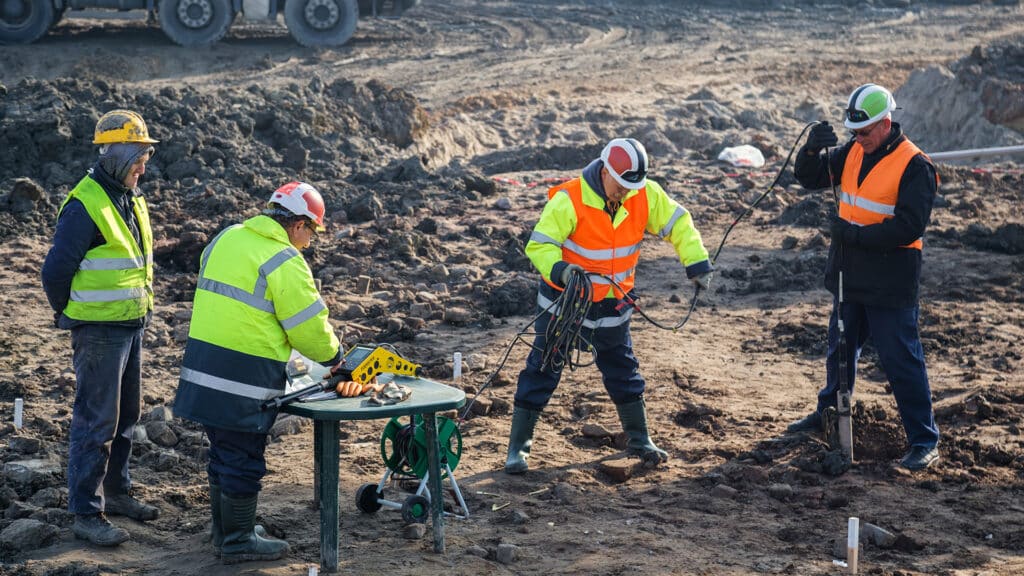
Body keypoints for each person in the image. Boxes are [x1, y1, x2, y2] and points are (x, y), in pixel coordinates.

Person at [173, 181, 360, 564]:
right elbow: (308, 329)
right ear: (299, 225)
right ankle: (238, 541)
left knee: (223, 452)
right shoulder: (283, 259)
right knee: (243, 458)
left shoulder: (227, 237)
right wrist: (336, 359)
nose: (309, 242)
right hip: (243, 378)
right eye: (312, 232)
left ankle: (224, 532)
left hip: (202, 368)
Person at [505, 137, 713, 474]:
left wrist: (697, 261)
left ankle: (640, 439)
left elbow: (679, 223)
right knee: (543, 367)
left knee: (622, 369)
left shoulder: (645, 194)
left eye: (632, 187)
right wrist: (561, 270)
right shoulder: (570, 199)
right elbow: (540, 245)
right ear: (605, 171)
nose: (626, 193)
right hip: (564, 303)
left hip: (614, 304)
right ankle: (518, 450)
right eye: (621, 186)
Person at [789, 83, 941, 471]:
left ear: (886, 123)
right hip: (849, 274)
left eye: (865, 131)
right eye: (853, 132)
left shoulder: (916, 166)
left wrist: (855, 236)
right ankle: (827, 414)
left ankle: (924, 440)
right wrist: (811, 150)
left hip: (890, 282)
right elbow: (811, 178)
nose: (858, 138)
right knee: (839, 350)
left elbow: (909, 227)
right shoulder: (854, 151)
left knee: (900, 359)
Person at [41, 110, 161, 546]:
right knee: (97, 421)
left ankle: (117, 492)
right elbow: (55, 272)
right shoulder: (84, 204)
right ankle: (86, 512)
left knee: (126, 416)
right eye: (138, 158)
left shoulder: (130, 197)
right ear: (115, 155)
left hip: (130, 326)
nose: (143, 167)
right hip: (98, 332)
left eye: (145, 158)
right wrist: (69, 313)